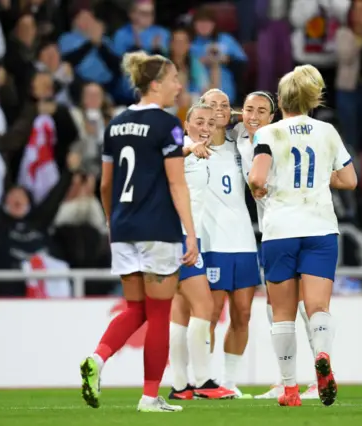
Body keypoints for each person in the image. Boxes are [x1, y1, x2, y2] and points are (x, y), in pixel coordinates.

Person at [79, 51, 199, 413]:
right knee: (159, 314)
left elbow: (105, 184)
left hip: (124, 227)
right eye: (175, 79)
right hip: (158, 229)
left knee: (136, 308)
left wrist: (112, 220)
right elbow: (177, 185)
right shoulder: (167, 125)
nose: (179, 86)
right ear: (156, 84)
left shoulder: (114, 124)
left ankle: (97, 359)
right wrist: (190, 234)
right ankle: (150, 397)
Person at [248, 65, 357, 407]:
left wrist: (260, 187)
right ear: (312, 100)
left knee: (282, 313)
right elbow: (350, 179)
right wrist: (323, 179)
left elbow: (256, 177)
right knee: (318, 307)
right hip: (321, 228)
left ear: (280, 100)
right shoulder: (327, 132)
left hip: (281, 230)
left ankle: (291, 389)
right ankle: (322, 357)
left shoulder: (268, 133)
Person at [235, 91, 318, 400]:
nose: (253, 115)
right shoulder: (242, 139)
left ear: (273, 117)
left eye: (261, 111)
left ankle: (314, 380)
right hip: (272, 232)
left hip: (298, 227)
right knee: (277, 307)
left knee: (304, 307)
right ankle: (289, 380)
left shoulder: (280, 140)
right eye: (248, 110)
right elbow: (224, 119)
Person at [193, 88, 261, 399]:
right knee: (211, 312)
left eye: (224, 105)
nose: (219, 110)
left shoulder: (241, 144)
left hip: (244, 241)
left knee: (243, 313)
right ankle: (201, 380)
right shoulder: (193, 149)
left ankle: (229, 381)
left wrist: (233, 114)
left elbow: (252, 119)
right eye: (211, 105)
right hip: (212, 242)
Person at [168, 102, 227, 401]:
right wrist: (189, 149)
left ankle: (180, 386)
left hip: (186, 237)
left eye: (211, 123)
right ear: (186, 123)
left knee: (180, 313)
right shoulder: (182, 148)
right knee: (204, 307)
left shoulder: (203, 151)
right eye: (199, 121)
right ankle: (204, 381)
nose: (205, 127)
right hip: (182, 238)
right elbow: (166, 161)